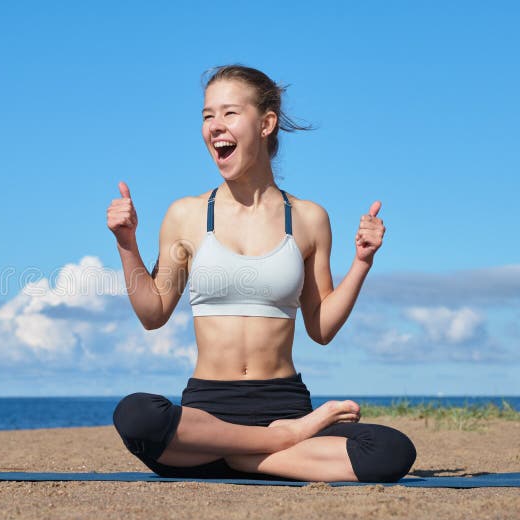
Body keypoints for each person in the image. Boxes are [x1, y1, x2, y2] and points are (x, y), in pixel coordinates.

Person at [106, 65, 416, 482]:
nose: (215, 126)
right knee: (137, 414)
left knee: (391, 451)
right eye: (206, 116)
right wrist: (127, 243)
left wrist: (361, 263)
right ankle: (275, 445)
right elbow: (153, 312)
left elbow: (321, 327)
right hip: (209, 412)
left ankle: (239, 454)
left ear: (266, 123)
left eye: (229, 113)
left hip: (281, 405)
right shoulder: (187, 215)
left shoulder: (308, 218)